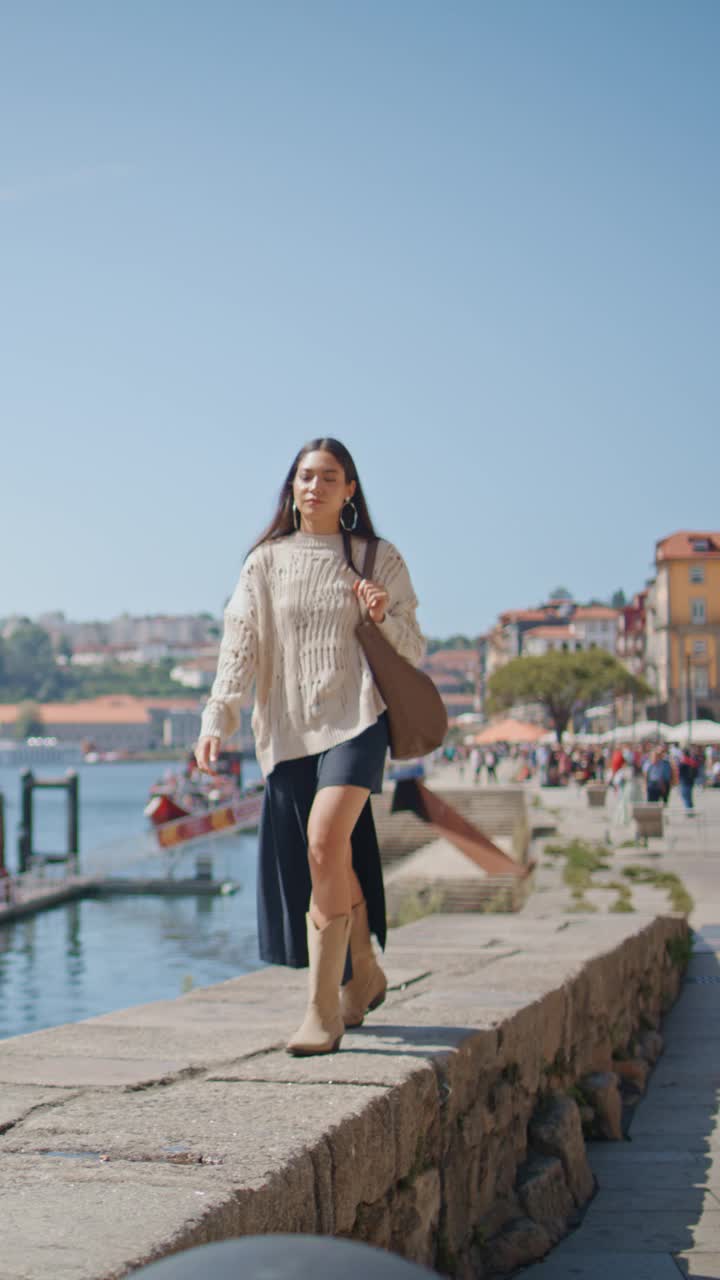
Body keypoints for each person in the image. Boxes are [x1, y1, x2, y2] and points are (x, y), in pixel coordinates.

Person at [194, 439, 424, 1057]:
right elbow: (239, 643)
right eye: (304, 477)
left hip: (358, 718)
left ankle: (323, 1011)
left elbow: (414, 650)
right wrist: (219, 714)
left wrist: (382, 616)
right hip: (288, 729)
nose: (314, 487)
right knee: (331, 857)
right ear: (291, 488)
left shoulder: (379, 558)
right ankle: (366, 968)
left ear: (350, 490)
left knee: (325, 841)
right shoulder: (265, 562)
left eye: (329, 477)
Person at [677, 746, 699, 813]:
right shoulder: (692, 760)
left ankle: (689, 810)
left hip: (684, 781)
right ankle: (690, 809)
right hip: (690, 781)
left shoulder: (683, 761)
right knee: (688, 796)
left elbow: (679, 772)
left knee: (685, 796)